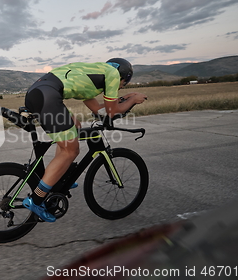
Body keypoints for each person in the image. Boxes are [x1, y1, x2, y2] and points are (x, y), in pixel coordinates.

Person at [23, 58, 147, 222]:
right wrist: (133, 100)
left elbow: (98, 109)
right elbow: (111, 112)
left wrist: (125, 98)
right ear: (123, 75)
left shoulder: (94, 73)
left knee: (72, 130)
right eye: (125, 82)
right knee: (71, 150)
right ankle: (36, 200)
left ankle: (59, 177)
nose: (122, 86)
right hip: (48, 96)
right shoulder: (112, 74)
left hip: (38, 92)